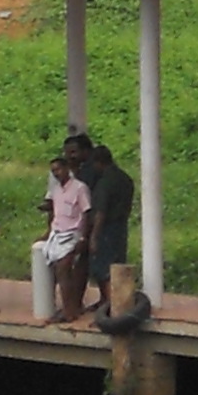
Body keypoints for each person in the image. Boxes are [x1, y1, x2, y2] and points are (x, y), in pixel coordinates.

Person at [33, 148, 92, 322]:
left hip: (72, 234)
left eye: (58, 169)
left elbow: (87, 213)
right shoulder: (56, 190)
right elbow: (53, 210)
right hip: (57, 233)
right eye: (53, 171)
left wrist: (83, 237)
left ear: (67, 168)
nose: (56, 174)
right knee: (58, 272)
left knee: (63, 269)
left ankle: (69, 311)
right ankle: (66, 308)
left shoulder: (80, 188)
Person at [80, 134, 135, 317]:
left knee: (103, 268)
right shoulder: (125, 179)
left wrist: (94, 237)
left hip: (106, 228)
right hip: (121, 226)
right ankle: (110, 302)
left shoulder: (105, 182)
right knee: (118, 264)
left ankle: (111, 305)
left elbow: (100, 212)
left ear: (98, 163)